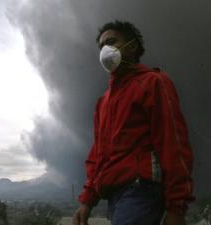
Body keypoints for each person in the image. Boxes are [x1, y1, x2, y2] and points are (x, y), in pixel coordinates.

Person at [72, 20, 196, 225]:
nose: (105, 50)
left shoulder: (154, 82)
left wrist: (177, 207)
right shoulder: (103, 102)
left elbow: (173, 143)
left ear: (132, 45)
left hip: (141, 191)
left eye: (111, 42)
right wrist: (87, 201)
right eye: (101, 46)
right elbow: (98, 154)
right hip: (115, 197)